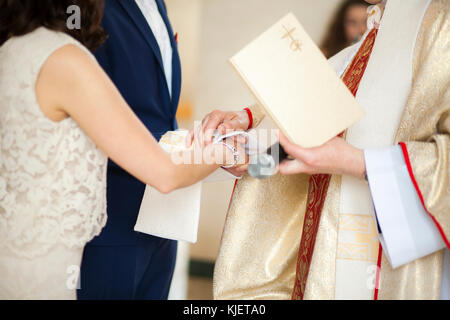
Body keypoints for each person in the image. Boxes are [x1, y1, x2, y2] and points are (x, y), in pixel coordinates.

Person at [0, 0, 244, 300]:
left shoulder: (11, 48)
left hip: (22, 249)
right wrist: (228, 151)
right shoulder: (66, 58)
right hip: (100, 232)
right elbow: (166, 173)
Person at [209, 0, 449, 299]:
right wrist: (255, 148)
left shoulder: (438, 19)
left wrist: (360, 163)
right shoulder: (380, 28)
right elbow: (320, 113)